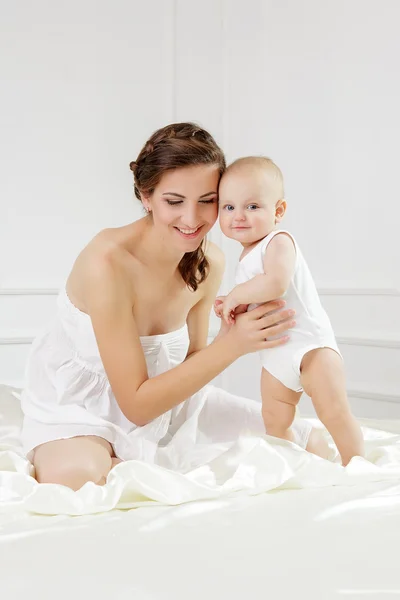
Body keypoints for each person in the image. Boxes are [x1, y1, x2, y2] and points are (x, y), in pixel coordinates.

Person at [20, 123, 330, 492]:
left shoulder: (209, 263)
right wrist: (232, 345)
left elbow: (193, 367)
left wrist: (234, 335)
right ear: (146, 195)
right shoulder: (107, 263)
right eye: (174, 201)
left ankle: (140, 456)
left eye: (207, 200)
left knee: (309, 446)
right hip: (81, 407)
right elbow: (135, 403)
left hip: (167, 404)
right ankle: (116, 456)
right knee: (79, 477)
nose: (192, 218)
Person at [215, 156, 364, 465]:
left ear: (278, 211)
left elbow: (276, 284)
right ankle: (297, 461)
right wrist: (233, 304)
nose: (238, 216)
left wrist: (238, 293)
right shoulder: (245, 256)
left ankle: (356, 463)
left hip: (310, 349)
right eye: (228, 207)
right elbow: (259, 301)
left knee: (333, 411)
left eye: (252, 206)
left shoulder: (278, 241)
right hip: (276, 358)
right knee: (274, 417)